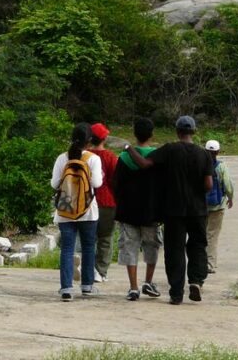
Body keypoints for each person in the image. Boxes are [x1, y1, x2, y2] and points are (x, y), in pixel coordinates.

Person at [125, 115, 213, 305]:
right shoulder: (203, 154)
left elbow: (144, 164)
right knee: (198, 245)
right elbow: (208, 185)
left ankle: (176, 293)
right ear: (194, 131)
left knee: (175, 250)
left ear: (177, 131)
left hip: (174, 210)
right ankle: (196, 281)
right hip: (198, 210)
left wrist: (127, 148)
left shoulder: (169, 150)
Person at [51, 123, 103, 301]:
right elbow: (96, 184)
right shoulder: (93, 159)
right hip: (88, 210)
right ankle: (87, 286)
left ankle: (66, 289)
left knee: (67, 248)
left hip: (65, 210)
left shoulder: (61, 158)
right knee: (88, 247)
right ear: (89, 141)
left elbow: (53, 183)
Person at [113, 118, 163, 301]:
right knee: (152, 247)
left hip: (128, 211)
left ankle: (133, 287)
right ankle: (148, 282)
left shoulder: (124, 158)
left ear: (134, 134)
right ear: (152, 134)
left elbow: (115, 184)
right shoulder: (157, 156)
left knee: (130, 248)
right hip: (151, 211)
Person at [89, 123, 118, 283]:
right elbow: (116, 180)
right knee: (105, 238)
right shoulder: (110, 157)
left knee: (88, 238)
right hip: (107, 201)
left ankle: (87, 268)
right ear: (104, 138)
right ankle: (101, 272)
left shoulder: (84, 155)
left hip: (87, 201)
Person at [205, 140, 234, 274]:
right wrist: (230, 198)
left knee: (201, 235)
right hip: (218, 206)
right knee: (212, 235)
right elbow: (228, 185)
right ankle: (209, 264)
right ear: (217, 152)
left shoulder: (200, 164)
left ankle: (199, 262)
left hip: (201, 206)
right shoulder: (221, 167)